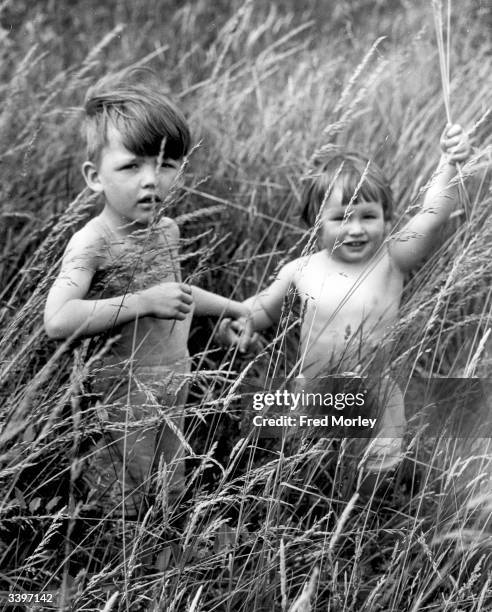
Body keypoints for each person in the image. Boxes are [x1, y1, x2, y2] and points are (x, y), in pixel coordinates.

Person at [44, 69, 250, 519]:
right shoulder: (93, 241)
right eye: (131, 166)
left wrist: (234, 309)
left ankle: (167, 556)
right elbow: (57, 318)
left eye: (165, 165)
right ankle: (118, 574)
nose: (151, 180)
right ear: (94, 177)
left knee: (170, 482)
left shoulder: (166, 231)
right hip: (125, 390)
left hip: (175, 380)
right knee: (127, 492)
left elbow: (175, 293)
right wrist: (141, 302)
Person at [220, 125, 471, 487]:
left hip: (375, 393)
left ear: (386, 217)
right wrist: (238, 322)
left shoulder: (391, 259)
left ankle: (372, 507)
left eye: (368, 216)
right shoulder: (300, 270)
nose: (356, 229)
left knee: (367, 477)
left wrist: (449, 163)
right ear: (315, 222)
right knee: (306, 472)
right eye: (341, 218)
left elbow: (432, 215)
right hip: (312, 391)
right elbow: (262, 310)